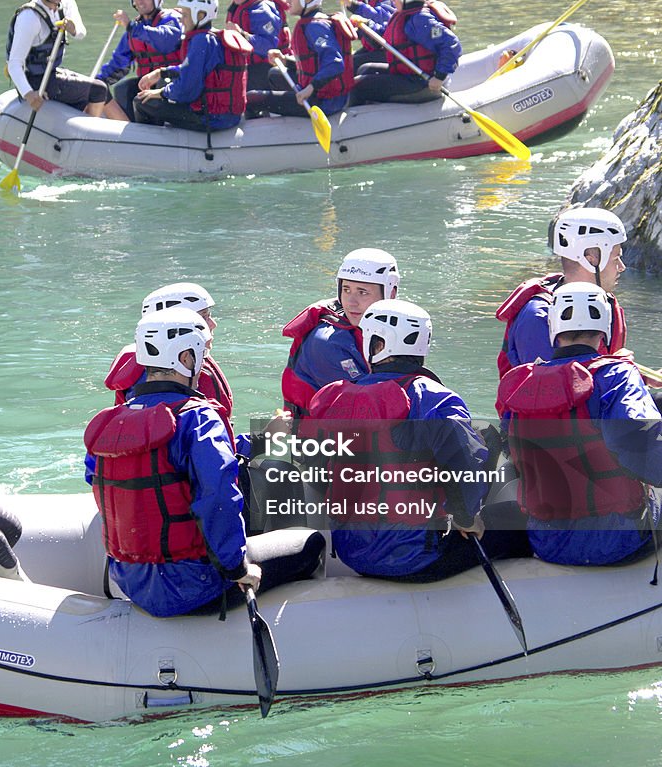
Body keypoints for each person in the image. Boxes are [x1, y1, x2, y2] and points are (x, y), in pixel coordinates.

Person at [84, 307, 325, 618]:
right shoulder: (198, 417)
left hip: (131, 584)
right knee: (310, 542)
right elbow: (219, 499)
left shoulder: (110, 423)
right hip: (196, 586)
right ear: (186, 359)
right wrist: (238, 569)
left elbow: (102, 487)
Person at [304, 299, 525, 581]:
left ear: (375, 344)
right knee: (519, 521)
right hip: (418, 559)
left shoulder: (338, 398)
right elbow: (467, 464)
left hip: (351, 554)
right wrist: (467, 519)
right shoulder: (436, 397)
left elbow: (318, 470)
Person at [497, 282, 662, 567]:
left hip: (546, 541)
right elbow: (642, 444)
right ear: (606, 329)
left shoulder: (520, 383)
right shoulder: (618, 374)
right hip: (618, 541)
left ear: (553, 329)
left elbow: (511, 451)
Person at [496, 206, 629, 380]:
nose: (621, 267)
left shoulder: (604, 303)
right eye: (615, 258)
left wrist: (636, 376)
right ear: (591, 260)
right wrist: (619, 370)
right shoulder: (537, 317)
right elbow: (547, 392)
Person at [104, 281, 235, 445]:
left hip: (202, 451)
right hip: (202, 457)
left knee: (271, 438)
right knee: (270, 449)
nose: (212, 324)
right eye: (203, 317)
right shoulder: (179, 375)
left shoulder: (151, 368)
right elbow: (211, 454)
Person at [282, 248, 400, 418]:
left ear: (391, 293)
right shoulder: (326, 341)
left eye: (362, 292)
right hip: (312, 437)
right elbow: (370, 406)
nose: (351, 302)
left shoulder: (391, 330)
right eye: (346, 290)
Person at [133, 0, 252, 133]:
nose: (181, 19)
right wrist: (161, 73)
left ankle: (150, 147)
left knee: (142, 101)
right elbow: (192, 70)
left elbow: (187, 89)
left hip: (211, 119)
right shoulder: (212, 37)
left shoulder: (201, 41)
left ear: (200, 15)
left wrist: (161, 93)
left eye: (184, 15)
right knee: (163, 84)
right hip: (227, 116)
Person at [6, 0, 108, 118]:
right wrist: (28, 94)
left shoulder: (66, 2)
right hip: (34, 80)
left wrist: (72, 28)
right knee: (99, 90)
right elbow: (14, 64)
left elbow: (81, 34)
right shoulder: (29, 18)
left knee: (95, 90)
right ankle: (87, 137)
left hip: (50, 73)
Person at [246, 0, 355, 120]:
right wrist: (284, 60)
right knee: (274, 74)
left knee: (252, 98)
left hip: (325, 102)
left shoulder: (315, 26)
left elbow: (335, 63)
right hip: (319, 93)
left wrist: (310, 89)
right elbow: (313, 63)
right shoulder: (310, 22)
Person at [349, 0, 461, 107]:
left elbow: (452, 44)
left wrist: (439, 77)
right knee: (365, 69)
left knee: (357, 86)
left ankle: (355, 123)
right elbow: (385, 33)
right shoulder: (404, 14)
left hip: (422, 83)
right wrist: (367, 24)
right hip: (407, 75)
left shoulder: (420, 20)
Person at [96, 0, 183, 122]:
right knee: (123, 89)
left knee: (157, 87)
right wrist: (97, 82)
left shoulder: (171, 19)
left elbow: (165, 41)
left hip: (172, 84)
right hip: (147, 85)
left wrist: (131, 26)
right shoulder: (134, 30)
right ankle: (131, 132)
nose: (140, 1)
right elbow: (118, 64)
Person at [223, 0, 291, 90]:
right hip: (249, 67)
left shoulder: (262, 10)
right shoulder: (238, 6)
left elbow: (269, 47)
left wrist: (243, 35)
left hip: (268, 69)